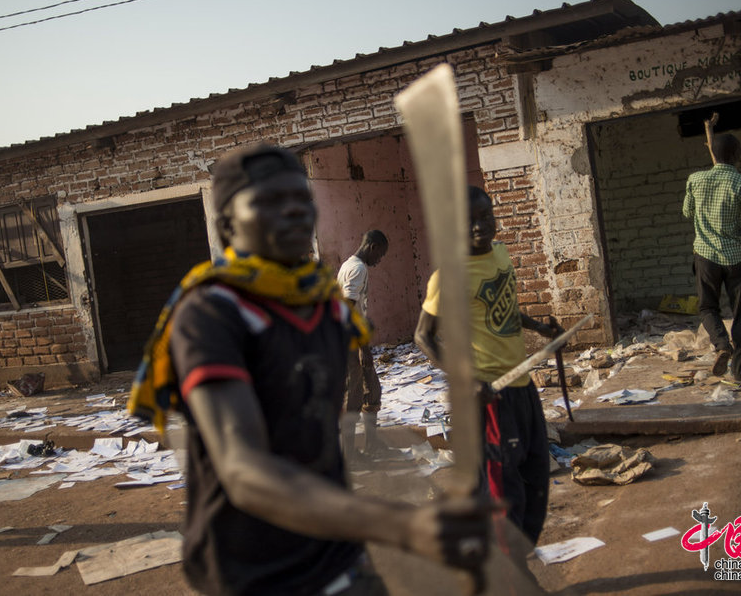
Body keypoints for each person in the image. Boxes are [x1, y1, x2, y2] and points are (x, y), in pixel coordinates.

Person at [129, 143, 491, 596]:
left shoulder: (322, 307)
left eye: (302, 199)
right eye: (270, 202)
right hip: (254, 569)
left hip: (334, 549)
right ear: (226, 224)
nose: (295, 212)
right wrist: (399, 523)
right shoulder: (212, 313)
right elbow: (244, 472)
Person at [415, 185, 562, 547]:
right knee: (501, 490)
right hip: (488, 397)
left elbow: (506, 305)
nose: (480, 227)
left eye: (485, 216)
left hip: (522, 386)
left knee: (535, 477)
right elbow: (423, 336)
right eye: (469, 222)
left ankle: (517, 559)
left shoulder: (500, 254)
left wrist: (540, 328)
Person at [682, 113, 741, 381]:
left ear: (712, 154)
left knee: (707, 308)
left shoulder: (695, 180)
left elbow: (687, 212)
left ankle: (721, 345)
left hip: (705, 256)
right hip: (736, 258)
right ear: (737, 155)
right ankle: (740, 371)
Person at [337, 230, 389, 459]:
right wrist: (363, 348)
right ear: (373, 247)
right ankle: (349, 454)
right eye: (380, 255)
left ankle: (372, 443)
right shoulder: (357, 269)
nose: (379, 261)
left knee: (372, 392)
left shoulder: (350, 266)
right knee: (354, 397)